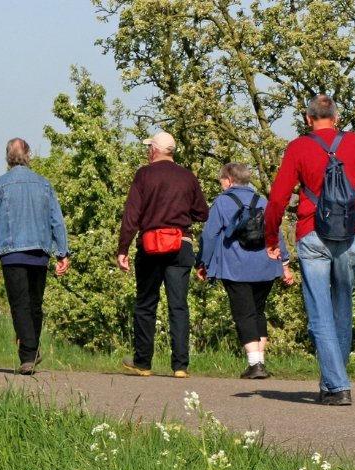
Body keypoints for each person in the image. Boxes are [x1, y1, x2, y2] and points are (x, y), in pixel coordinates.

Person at [263, 94, 355, 405]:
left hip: (312, 234)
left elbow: (276, 199)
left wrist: (271, 239)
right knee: (342, 307)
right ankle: (333, 380)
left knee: (319, 311)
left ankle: (337, 385)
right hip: (350, 236)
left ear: (308, 119)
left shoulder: (299, 147)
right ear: (337, 118)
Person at [116, 130, 209, 378]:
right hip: (181, 244)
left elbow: (132, 214)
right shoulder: (188, 176)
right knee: (178, 305)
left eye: (149, 148)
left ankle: (143, 362)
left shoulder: (144, 175)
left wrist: (123, 248)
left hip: (150, 244)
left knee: (146, 303)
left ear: (154, 150)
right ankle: (180, 366)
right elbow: (203, 212)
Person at [196, 162, 295, 379]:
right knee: (257, 312)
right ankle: (259, 362)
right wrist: (285, 265)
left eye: (221, 180)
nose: (221, 184)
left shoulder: (222, 202)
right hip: (266, 267)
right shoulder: (263, 201)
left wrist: (203, 263)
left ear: (229, 180)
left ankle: (254, 365)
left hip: (236, 267)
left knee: (244, 313)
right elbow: (276, 234)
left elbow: (209, 236)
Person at [0, 138, 71, 375]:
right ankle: (31, 351)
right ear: (29, 156)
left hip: (11, 253)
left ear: (7, 157)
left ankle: (28, 355)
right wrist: (62, 253)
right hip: (39, 253)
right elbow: (57, 220)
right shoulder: (45, 185)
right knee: (35, 304)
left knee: (20, 304)